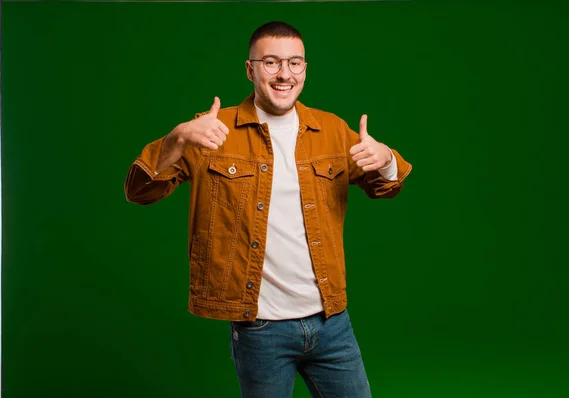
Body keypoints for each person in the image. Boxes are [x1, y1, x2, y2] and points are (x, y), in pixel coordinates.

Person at [124, 21, 412, 398]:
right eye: (271, 62)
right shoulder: (211, 130)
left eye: (295, 63)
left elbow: (385, 187)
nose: (284, 74)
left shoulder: (331, 130)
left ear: (305, 69)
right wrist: (176, 140)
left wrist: (386, 158)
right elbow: (139, 190)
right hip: (261, 330)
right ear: (250, 69)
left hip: (332, 323)